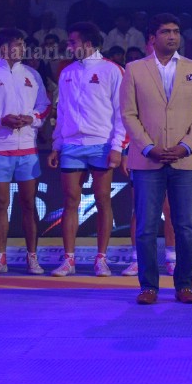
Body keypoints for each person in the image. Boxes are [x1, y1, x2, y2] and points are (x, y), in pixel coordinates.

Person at [120, 14, 192, 304]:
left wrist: (186, 145)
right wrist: (148, 147)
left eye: (176, 31)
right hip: (148, 160)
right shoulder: (134, 69)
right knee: (146, 226)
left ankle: (184, 285)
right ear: (152, 38)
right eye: (166, 31)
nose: (172, 36)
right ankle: (148, 286)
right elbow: (128, 114)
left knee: (185, 226)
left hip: (186, 160)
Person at [47, 22, 126, 277]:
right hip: (71, 145)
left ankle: (101, 259)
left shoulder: (112, 70)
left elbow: (121, 113)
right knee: (70, 201)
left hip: (101, 144)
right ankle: (68, 260)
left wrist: (117, 147)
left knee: (103, 200)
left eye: (73, 41)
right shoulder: (67, 72)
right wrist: (56, 145)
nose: (69, 46)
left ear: (88, 44)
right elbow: (61, 112)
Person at [0, 28, 51, 275]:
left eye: (22, 44)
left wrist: (30, 119)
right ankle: (0, 258)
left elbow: (44, 106)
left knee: (29, 204)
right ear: (4, 47)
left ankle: (32, 257)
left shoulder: (32, 74)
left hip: (28, 148)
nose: (21, 49)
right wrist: (1, 121)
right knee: (0, 204)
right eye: (16, 45)